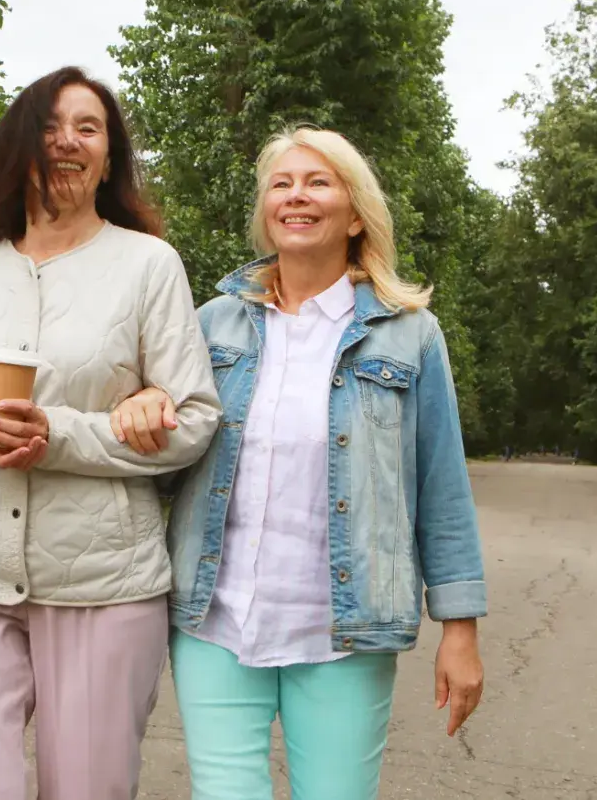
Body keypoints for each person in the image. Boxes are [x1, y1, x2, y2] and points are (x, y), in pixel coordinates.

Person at [110, 127, 488, 799]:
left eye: (318, 182)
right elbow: (168, 462)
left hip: (343, 631)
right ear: (265, 212)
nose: (297, 197)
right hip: (215, 622)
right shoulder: (213, 325)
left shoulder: (409, 334)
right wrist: (142, 404)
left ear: (354, 212)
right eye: (281, 184)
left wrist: (459, 629)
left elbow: (441, 488)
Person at [0, 66, 222, 800]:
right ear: (18, 145)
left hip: (103, 585)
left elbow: (194, 419)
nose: (67, 141)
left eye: (88, 128)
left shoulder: (147, 266)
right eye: (50, 125)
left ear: (109, 158)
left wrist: (60, 433)